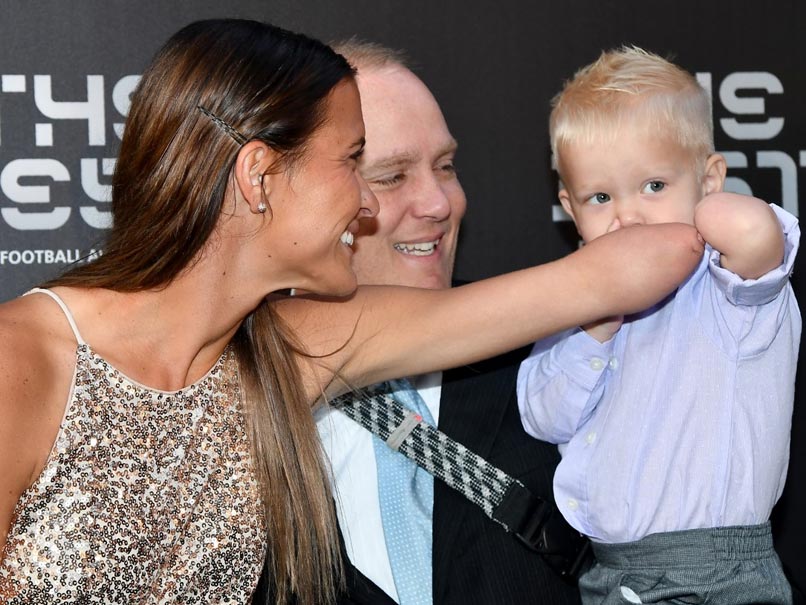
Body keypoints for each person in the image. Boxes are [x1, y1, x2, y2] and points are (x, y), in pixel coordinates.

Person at [0, 22, 703, 605]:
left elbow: (601, 280)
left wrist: (685, 194)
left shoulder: (291, 348)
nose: (366, 203)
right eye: (356, 161)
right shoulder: (24, 360)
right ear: (259, 176)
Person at [517, 46, 800, 604]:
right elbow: (542, 415)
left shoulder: (727, 291)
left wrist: (701, 212)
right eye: (601, 197)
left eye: (653, 186)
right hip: (608, 575)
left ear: (710, 178)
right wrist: (597, 317)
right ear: (570, 209)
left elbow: (756, 238)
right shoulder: (576, 304)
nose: (627, 215)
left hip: (716, 578)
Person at [315, 40, 581, 605]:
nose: (439, 203)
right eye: (391, 177)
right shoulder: (229, 398)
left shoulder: (554, 363)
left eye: (445, 166)